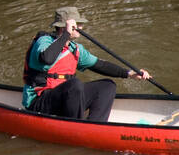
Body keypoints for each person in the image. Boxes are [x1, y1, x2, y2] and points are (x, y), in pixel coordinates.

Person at [23, 7, 151, 123]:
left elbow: (99, 65)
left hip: (66, 100)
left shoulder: (76, 49)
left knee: (107, 86)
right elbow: (47, 58)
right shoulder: (43, 41)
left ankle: (96, 126)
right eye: (78, 25)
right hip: (40, 102)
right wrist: (66, 34)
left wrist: (129, 73)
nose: (81, 27)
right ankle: (76, 126)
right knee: (75, 84)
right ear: (65, 26)